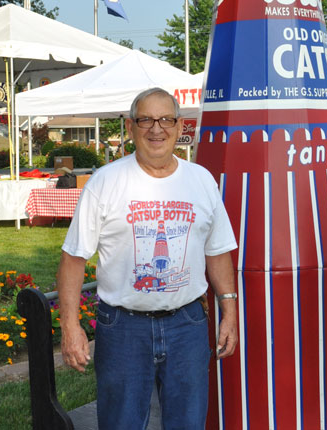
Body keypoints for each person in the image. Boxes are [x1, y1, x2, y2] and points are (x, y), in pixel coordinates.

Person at [58, 87, 238, 429]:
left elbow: (216, 251)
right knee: (121, 423)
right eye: (146, 120)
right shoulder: (106, 182)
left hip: (187, 326)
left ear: (180, 126)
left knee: (188, 422)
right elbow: (73, 259)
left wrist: (229, 311)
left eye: (166, 119)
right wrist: (70, 326)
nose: (157, 129)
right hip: (123, 329)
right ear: (130, 127)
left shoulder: (201, 181)